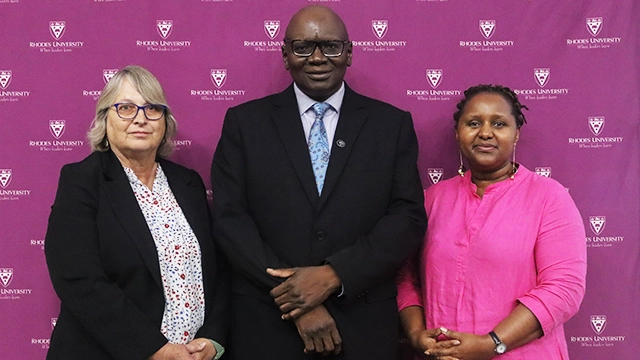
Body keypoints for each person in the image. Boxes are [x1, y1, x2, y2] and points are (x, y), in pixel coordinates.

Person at [210, 5, 427, 360]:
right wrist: (298, 301)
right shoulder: (244, 124)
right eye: (302, 47)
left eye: (330, 46)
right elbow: (231, 220)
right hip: (268, 323)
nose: (317, 58)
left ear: (349, 52)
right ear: (284, 55)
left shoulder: (391, 125)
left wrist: (334, 275)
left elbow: (407, 218)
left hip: (362, 323)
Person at [45, 65, 228, 360]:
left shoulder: (188, 184)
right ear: (105, 120)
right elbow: (77, 277)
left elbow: (218, 272)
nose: (140, 119)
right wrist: (155, 350)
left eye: (152, 109)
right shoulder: (82, 181)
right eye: (126, 108)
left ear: (165, 122)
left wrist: (213, 339)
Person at [396, 84, 587, 359]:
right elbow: (405, 276)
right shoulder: (431, 200)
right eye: (473, 123)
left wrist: (492, 343)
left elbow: (564, 288)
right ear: (457, 134)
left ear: (516, 133)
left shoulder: (549, 197)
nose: (485, 132)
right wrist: (416, 334)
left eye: (499, 123)